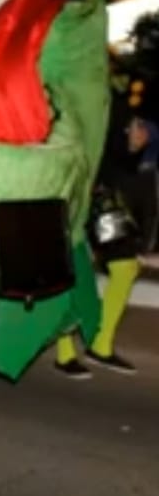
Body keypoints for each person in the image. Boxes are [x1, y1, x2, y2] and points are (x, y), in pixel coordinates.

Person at [54, 85, 150, 379]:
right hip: (66, 187)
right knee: (70, 267)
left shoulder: (116, 95)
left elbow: (121, 158)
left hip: (100, 194)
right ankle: (65, 352)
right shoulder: (64, 86)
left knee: (125, 266)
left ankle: (100, 343)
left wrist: (133, 147)